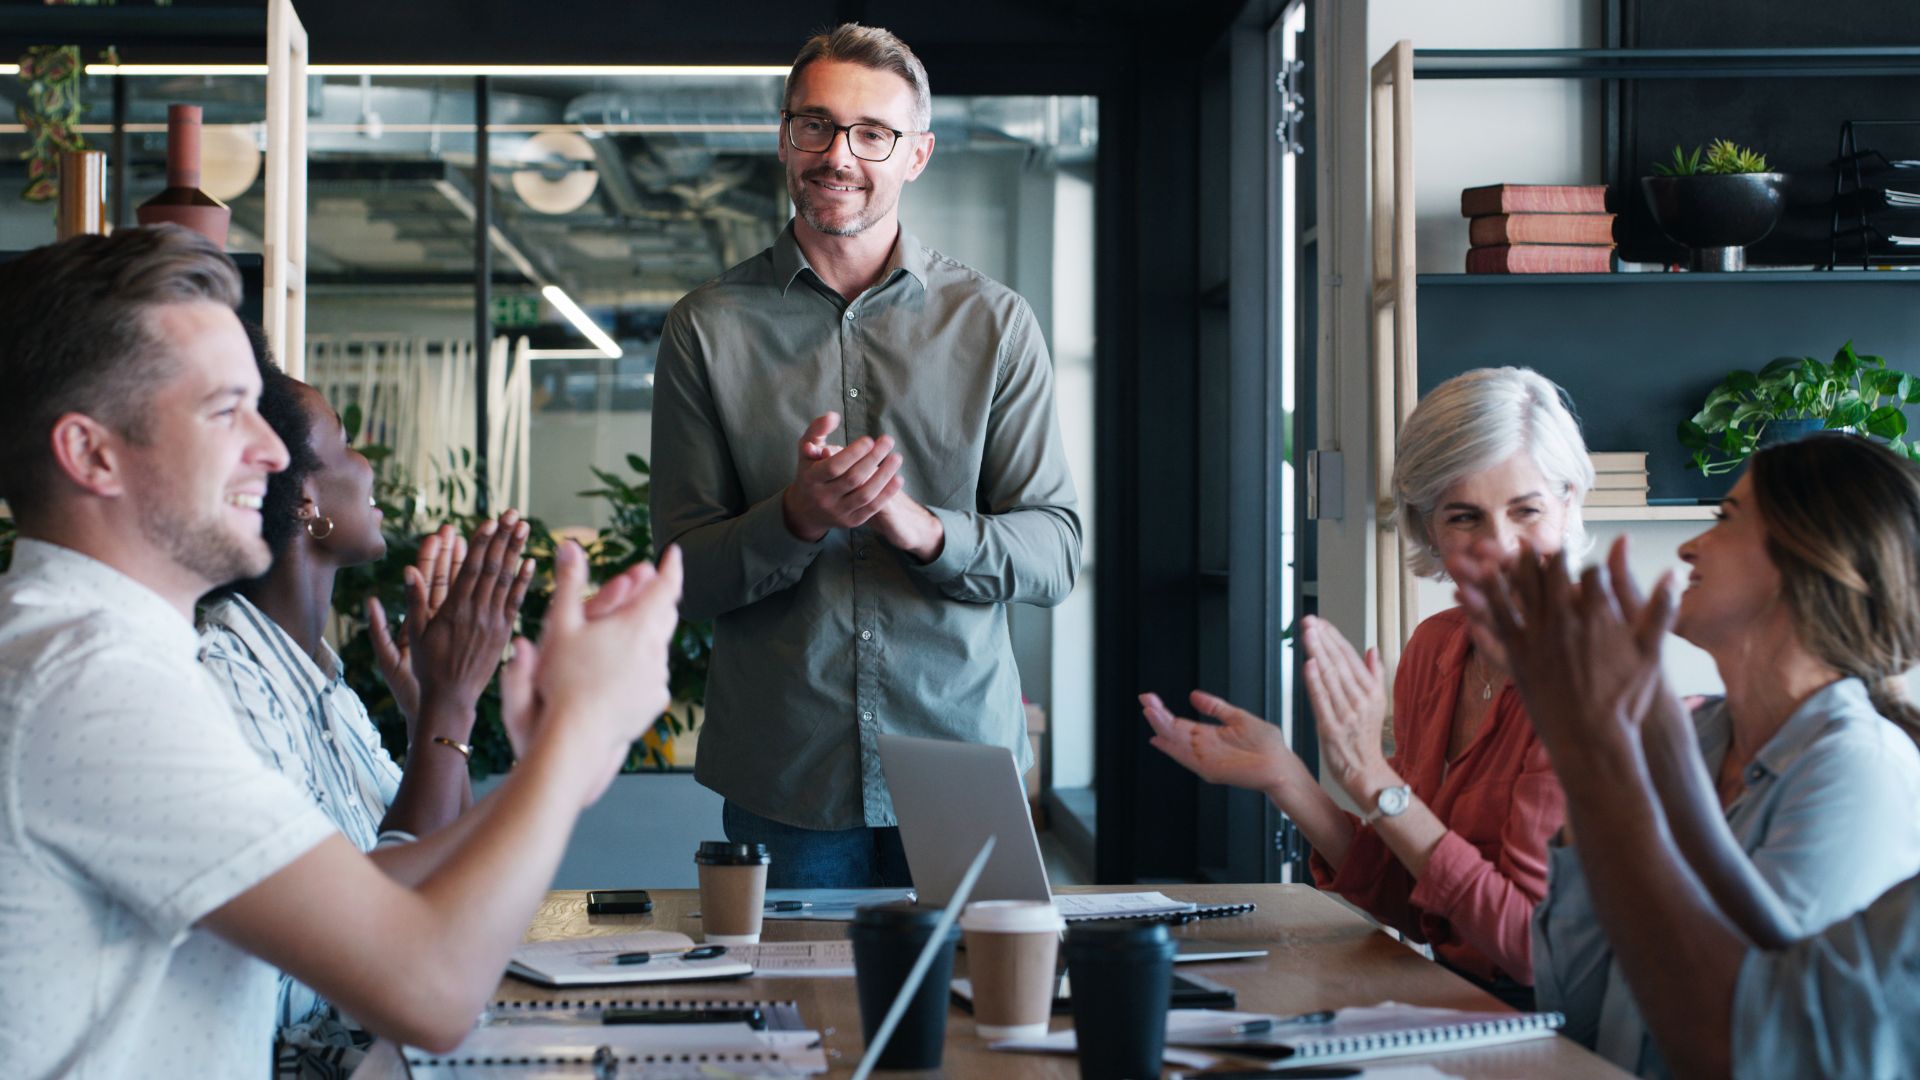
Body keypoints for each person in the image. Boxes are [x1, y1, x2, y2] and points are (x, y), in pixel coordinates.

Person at [0, 225, 682, 1077]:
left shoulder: (114, 657)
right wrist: (581, 730)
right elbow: (428, 993)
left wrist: (568, 753)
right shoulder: (92, 685)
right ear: (92, 453)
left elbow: (367, 889)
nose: (275, 452)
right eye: (225, 411)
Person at [650, 23, 1080, 887]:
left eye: (871, 133)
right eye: (816, 125)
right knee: (804, 1023)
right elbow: (681, 578)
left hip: (961, 759)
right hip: (785, 776)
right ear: (784, 138)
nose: (839, 154)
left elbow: (1056, 549)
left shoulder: (994, 323)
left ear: (914, 155)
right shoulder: (705, 329)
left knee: (980, 1015)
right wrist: (796, 520)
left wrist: (924, 531)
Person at [1452, 433, 1920, 1080]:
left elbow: (1741, 1043)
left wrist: (1594, 740)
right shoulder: (1694, 741)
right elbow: (1577, 1008)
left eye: (1725, 519)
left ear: (1809, 552)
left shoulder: (1859, 772)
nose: (1688, 546)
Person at [1141, 366, 1588, 1005]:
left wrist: (1374, 780)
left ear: (1569, 503)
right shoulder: (1440, 646)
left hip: (1563, 1024)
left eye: (1526, 510)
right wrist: (1287, 778)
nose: (1499, 546)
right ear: (1427, 526)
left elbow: (1525, 950)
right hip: (1454, 995)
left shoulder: (1590, 670)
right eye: (1465, 517)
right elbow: (1419, 908)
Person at [197, 341, 534, 1072]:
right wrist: (449, 709)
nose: (369, 464)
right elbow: (352, 959)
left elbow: (447, 885)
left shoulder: (329, 688)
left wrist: (436, 724)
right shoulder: (225, 680)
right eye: (345, 445)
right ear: (305, 500)